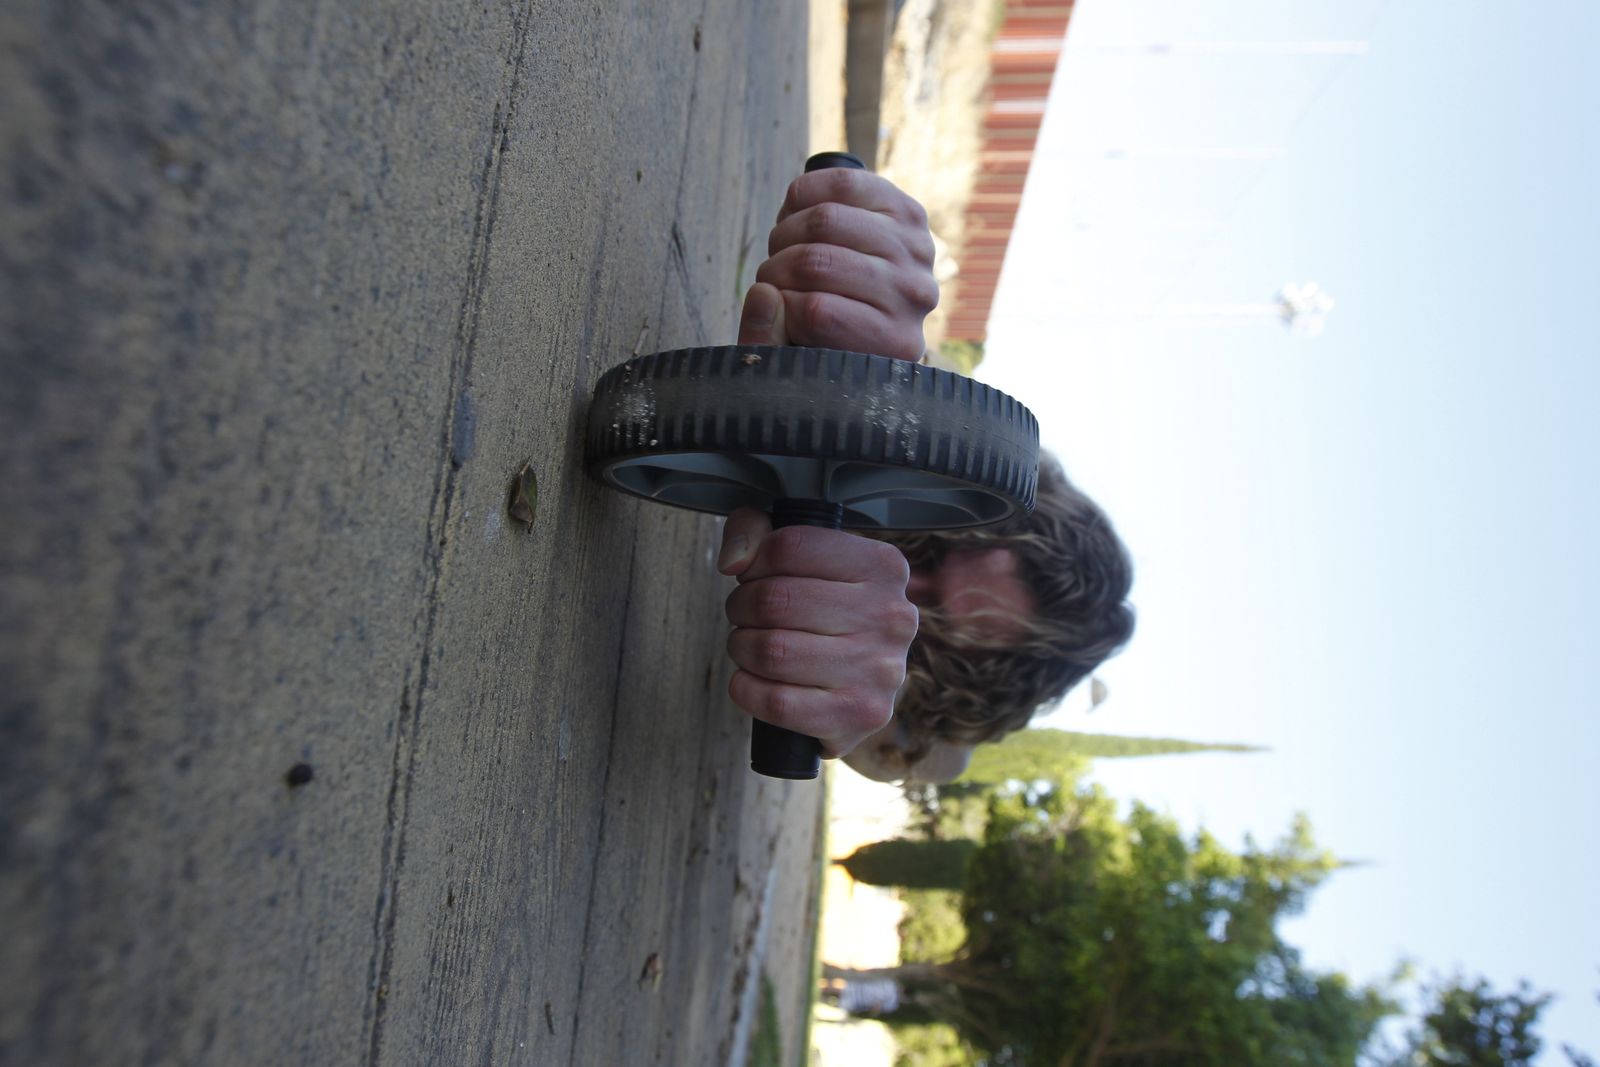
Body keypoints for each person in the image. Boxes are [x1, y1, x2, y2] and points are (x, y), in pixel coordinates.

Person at [718, 165, 1135, 782]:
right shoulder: (953, 445)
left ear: (976, 673)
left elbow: (899, 750)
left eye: (934, 616)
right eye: (932, 562)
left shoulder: (939, 742)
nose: (907, 589)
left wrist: (847, 712)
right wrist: (868, 308)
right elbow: (901, 364)